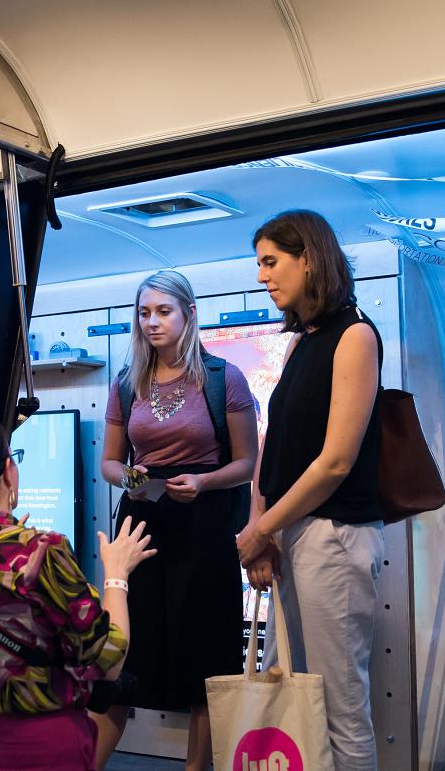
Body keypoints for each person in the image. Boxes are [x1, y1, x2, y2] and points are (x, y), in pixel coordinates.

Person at [0, 413, 155, 771]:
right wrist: (116, 573)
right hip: (37, 748)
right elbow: (110, 661)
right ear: (8, 471)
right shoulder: (42, 550)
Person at [236, 210, 386, 771]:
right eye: (260, 264)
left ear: (310, 259)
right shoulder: (303, 342)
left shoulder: (355, 336)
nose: (262, 276)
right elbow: (275, 449)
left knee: (339, 706)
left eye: (271, 262)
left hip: (335, 535)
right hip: (294, 532)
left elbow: (336, 462)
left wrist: (262, 528)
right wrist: (264, 526)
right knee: (294, 695)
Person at [93, 270, 259, 771]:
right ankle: (89, 762)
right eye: (144, 313)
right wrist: (128, 477)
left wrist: (204, 482)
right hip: (143, 519)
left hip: (202, 522)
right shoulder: (126, 382)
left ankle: (196, 768)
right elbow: (108, 462)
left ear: (189, 313)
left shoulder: (222, 377)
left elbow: (248, 463)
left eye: (163, 311)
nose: (152, 322)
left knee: (205, 652)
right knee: (125, 649)